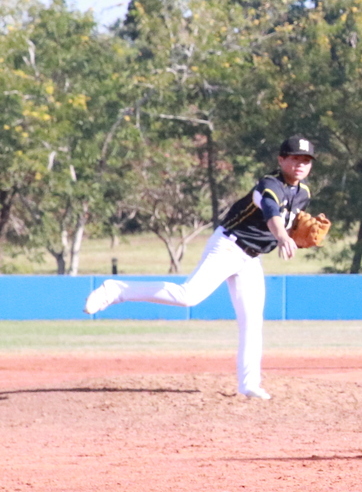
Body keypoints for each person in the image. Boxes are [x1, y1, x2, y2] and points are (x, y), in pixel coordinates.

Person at [82, 135, 319, 400]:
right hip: (229, 247)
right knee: (188, 296)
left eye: (306, 160)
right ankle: (116, 290)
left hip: (251, 258)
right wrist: (283, 235)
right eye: (295, 158)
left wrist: (294, 233)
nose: (300, 164)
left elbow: (288, 221)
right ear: (281, 159)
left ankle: (249, 384)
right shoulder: (269, 184)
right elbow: (271, 211)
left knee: (252, 321)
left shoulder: (304, 193)